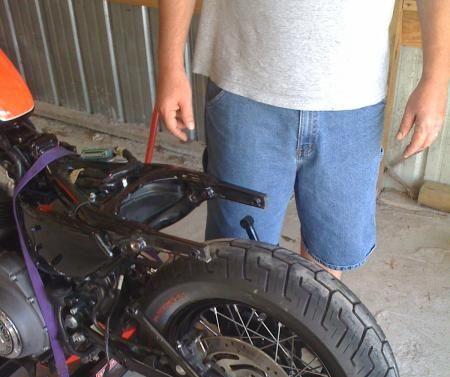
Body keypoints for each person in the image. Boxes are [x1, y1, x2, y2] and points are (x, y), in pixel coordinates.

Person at [156, 0, 449, 278]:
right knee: (237, 261)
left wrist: (435, 79)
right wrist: (170, 66)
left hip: (353, 98)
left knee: (327, 262)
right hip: (244, 86)